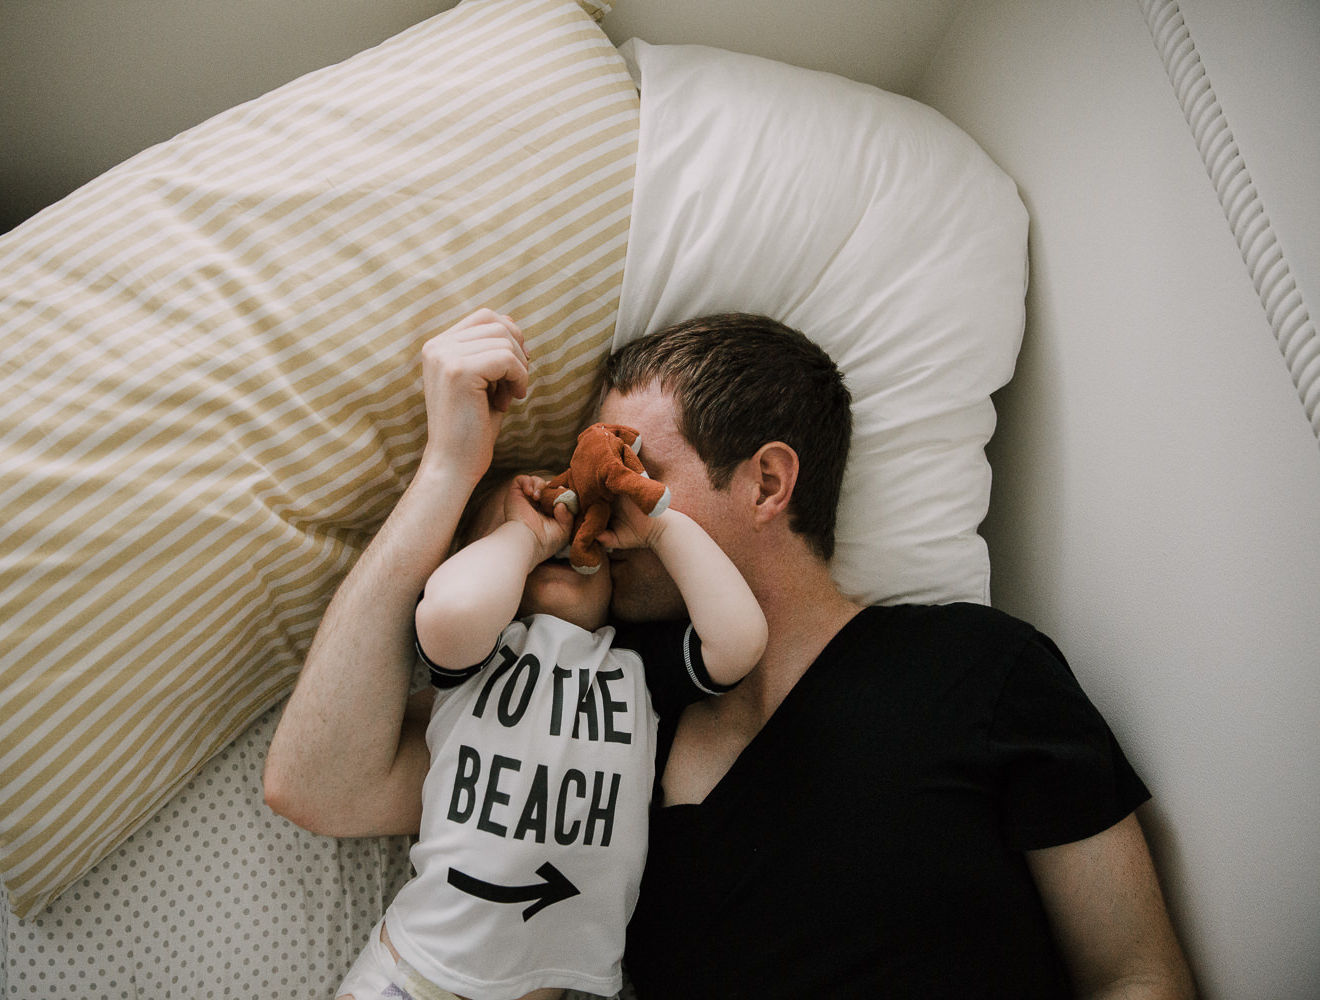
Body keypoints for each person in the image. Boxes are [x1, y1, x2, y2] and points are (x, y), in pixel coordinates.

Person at [265, 308, 1197, 999]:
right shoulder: (608, 707)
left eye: (632, 470)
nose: (598, 517)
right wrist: (446, 473)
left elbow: (1138, 973)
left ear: (767, 482)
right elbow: (320, 784)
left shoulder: (980, 669)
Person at [334, 461, 764, 1000]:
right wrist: (524, 536)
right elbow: (451, 609)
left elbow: (740, 643)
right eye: (534, 522)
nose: (561, 528)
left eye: (585, 526)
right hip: (420, 969)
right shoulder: (479, 656)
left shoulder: (633, 666)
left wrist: (659, 527)